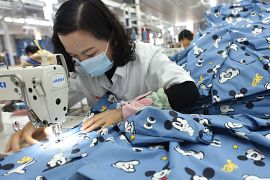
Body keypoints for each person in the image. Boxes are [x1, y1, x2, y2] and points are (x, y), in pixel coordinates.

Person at [5, 0, 200, 152]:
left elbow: (188, 91)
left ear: (112, 38)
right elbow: (60, 100)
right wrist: (39, 121)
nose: (83, 62)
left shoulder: (146, 58)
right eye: (74, 56)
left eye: (90, 54)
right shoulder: (79, 70)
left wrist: (125, 112)